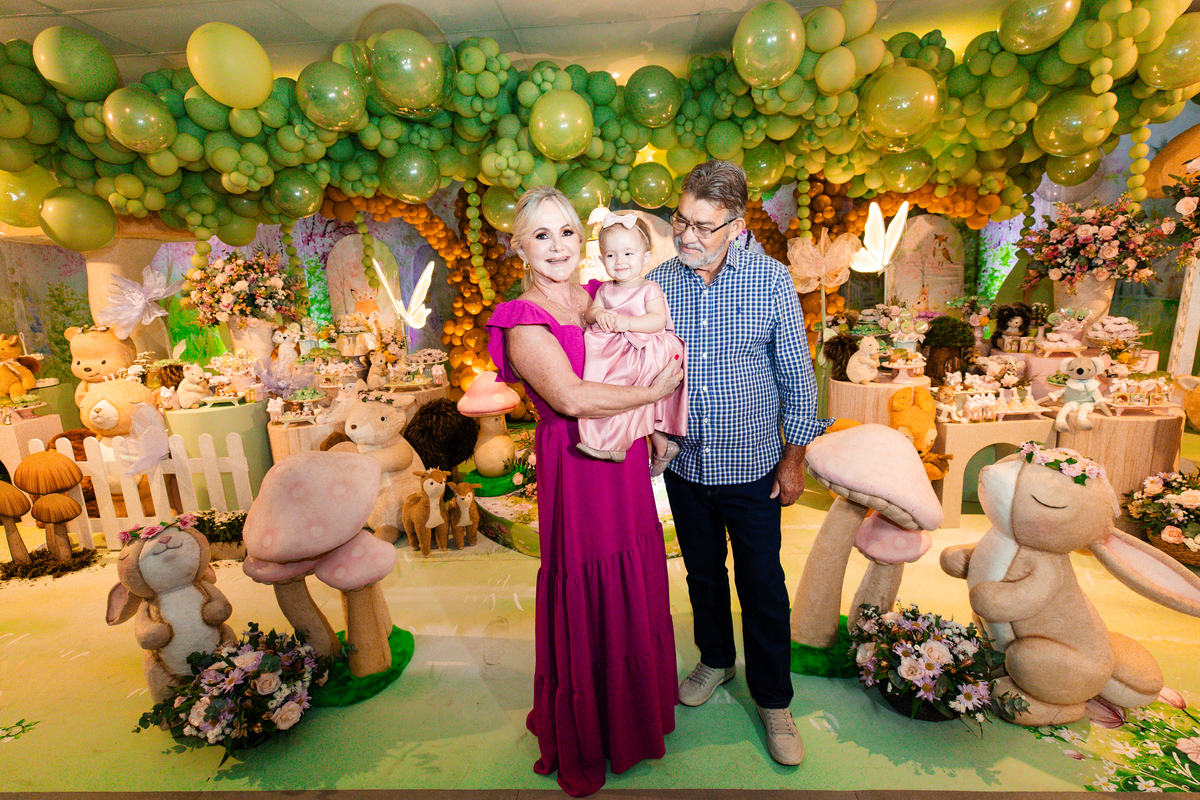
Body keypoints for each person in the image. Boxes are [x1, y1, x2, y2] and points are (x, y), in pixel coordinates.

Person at [485, 186, 684, 797]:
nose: (557, 246)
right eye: (541, 235)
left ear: (583, 239)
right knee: (591, 578)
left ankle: (636, 714)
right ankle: (594, 730)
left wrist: (654, 426)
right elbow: (570, 397)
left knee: (634, 571)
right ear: (520, 247)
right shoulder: (522, 318)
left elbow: (639, 352)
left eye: (567, 231)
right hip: (576, 467)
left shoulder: (600, 295)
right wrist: (653, 396)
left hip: (622, 458)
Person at [647, 160, 830, 768]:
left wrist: (794, 460)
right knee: (702, 574)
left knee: (762, 585)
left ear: (737, 226)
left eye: (703, 225)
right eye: (681, 220)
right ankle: (716, 660)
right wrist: (651, 426)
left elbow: (797, 378)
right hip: (685, 466)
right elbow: (644, 364)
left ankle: (774, 700)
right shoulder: (659, 282)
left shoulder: (771, 281)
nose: (687, 235)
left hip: (752, 468)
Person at [576, 211, 688, 476]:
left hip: (651, 345)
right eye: (611, 255)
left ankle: (614, 442)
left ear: (645, 257)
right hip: (625, 346)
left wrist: (627, 323)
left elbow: (658, 320)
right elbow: (590, 313)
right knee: (608, 382)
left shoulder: (649, 288)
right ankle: (660, 444)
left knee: (625, 383)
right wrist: (598, 314)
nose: (620, 261)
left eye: (628, 253)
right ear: (601, 259)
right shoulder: (605, 289)